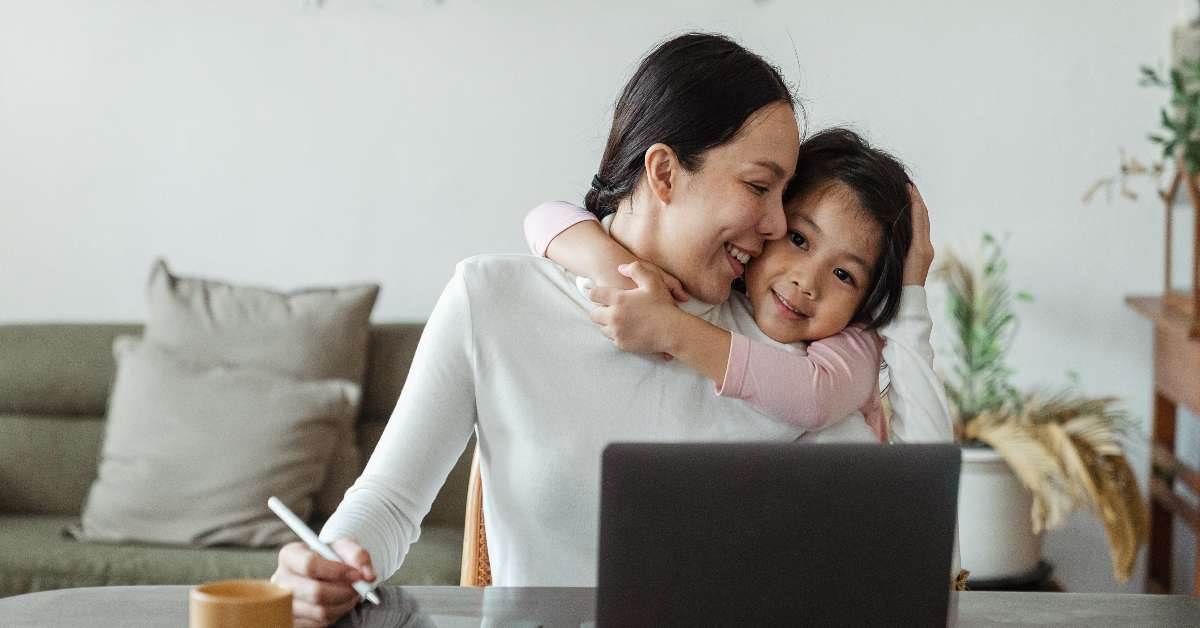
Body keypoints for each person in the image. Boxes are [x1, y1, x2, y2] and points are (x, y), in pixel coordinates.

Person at [271, 32, 953, 627]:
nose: (777, 226)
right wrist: (321, 569)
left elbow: (916, 546)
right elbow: (389, 505)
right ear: (663, 171)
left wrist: (912, 299)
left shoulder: (785, 354)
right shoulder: (493, 301)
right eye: (758, 187)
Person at [524, 128, 917, 441]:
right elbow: (543, 216)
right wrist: (613, 266)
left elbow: (815, 396)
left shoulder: (856, 340)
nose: (807, 281)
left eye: (844, 275)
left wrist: (671, 330)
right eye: (798, 240)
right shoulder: (725, 287)